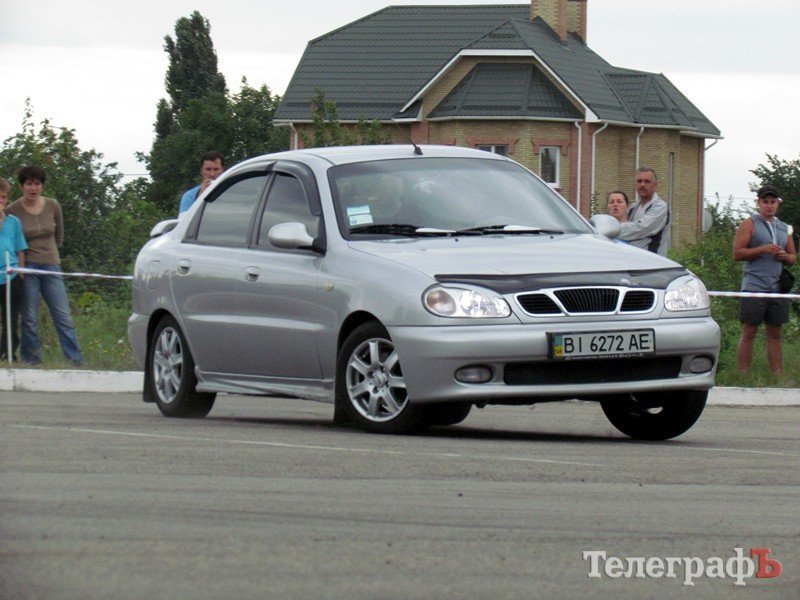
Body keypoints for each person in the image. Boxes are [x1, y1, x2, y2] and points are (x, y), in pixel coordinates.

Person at [8, 166, 84, 365]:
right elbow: (11, 237)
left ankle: (75, 360)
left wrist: (52, 253)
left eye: (37, 184)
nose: (33, 188)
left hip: (51, 265)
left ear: (42, 186)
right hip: (28, 267)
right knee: (29, 318)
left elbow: (59, 234)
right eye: (29, 184)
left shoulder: (53, 205)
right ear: (22, 186)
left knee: (63, 316)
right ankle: (32, 360)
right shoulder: (13, 209)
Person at [733, 184, 797, 374]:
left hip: (777, 287)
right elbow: (737, 253)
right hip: (754, 285)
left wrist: (785, 257)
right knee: (749, 330)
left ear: (778, 204)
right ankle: (743, 373)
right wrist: (763, 249)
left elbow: (793, 257)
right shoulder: (749, 224)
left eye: (772, 202)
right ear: (759, 203)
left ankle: (777, 375)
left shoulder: (784, 228)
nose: (769, 206)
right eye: (765, 202)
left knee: (775, 332)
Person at [0, 177, 28, 361]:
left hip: (11, 275)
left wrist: (21, 274)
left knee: (10, 318)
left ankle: (7, 352)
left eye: (3, 197)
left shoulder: (14, 222)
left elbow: (20, 249)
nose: (0, 201)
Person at [618, 167, 670, 255]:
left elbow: (641, 229)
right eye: (639, 181)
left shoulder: (660, 207)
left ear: (655, 185)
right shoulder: (633, 208)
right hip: (633, 258)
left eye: (647, 181)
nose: (642, 185)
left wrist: (613, 231)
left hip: (652, 260)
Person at [178, 151, 225, 216]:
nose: (212, 174)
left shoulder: (231, 190)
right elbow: (184, 220)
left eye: (216, 169)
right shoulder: (190, 196)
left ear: (223, 170)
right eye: (208, 169)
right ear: (201, 171)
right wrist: (201, 197)